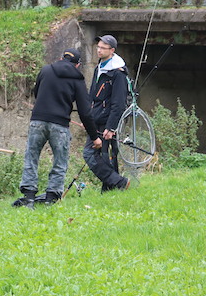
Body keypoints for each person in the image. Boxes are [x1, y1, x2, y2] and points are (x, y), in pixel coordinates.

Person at [13, 48, 102, 208]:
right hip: (60, 125)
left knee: (31, 158)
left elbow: (36, 93)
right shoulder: (77, 79)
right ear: (78, 65)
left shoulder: (46, 70)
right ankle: (51, 198)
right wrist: (94, 137)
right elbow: (85, 111)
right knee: (60, 162)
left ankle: (29, 198)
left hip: (38, 120)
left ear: (61, 58)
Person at [83, 35, 131, 191]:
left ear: (112, 50)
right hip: (96, 119)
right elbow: (92, 95)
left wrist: (111, 127)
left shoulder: (118, 73)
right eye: (98, 47)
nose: (99, 50)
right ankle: (112, 187)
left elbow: (119, 103)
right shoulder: (99, 67)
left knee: (91, 153)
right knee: (105, 155)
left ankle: (118, 182)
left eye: (103, 48)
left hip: (107, 121)